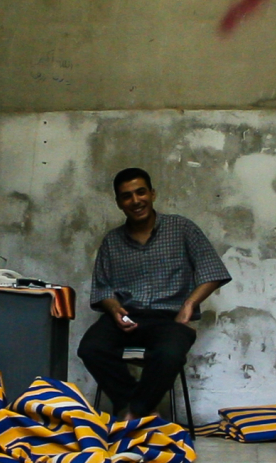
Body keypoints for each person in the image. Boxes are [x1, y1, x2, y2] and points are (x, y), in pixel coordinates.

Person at [78, 167, 230, 421]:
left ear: (152, 194)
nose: (135, 201)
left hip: (169, 318)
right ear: (119, 203)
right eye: (127, 196)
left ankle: (133, 412)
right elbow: (103, 288)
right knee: (91, 348)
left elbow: (213, 270)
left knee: (169, 354)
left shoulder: (181, 228)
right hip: (128, 315)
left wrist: (190, 304)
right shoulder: (112, 241)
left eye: (141, 192)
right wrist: (114, 308)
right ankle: (138, 407)